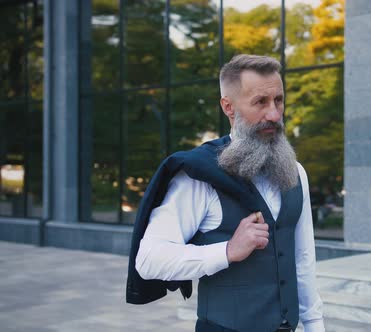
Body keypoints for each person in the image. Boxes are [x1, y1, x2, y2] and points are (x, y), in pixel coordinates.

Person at [126, 54, 325, 332]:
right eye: (260, 102)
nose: (274, 114)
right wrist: (228, 251)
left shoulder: (296, 172)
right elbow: (148, 260)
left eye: (278, 100)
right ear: (228, 107)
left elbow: (303, 260)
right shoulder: (200, 176)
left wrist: (315, 325)